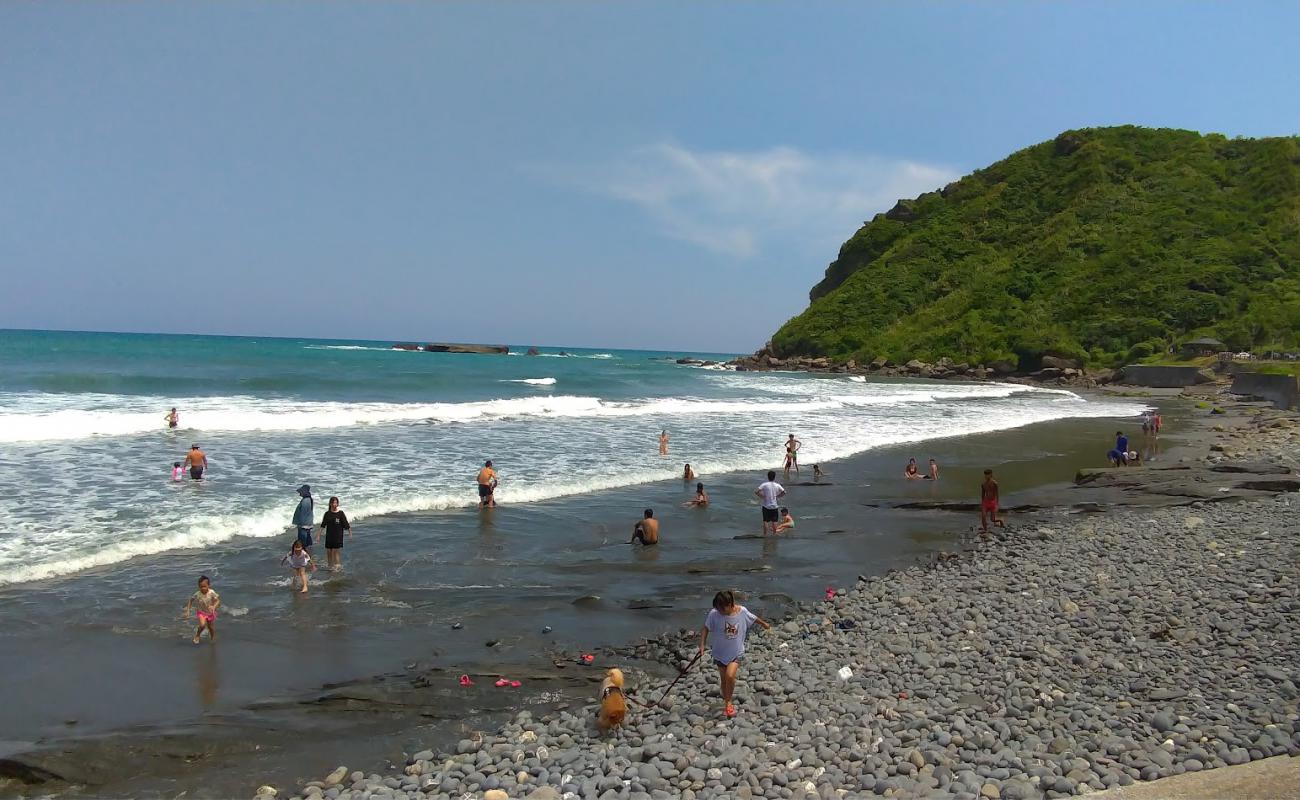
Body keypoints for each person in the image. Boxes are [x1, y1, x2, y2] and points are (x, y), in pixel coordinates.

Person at [698, 590, 771, 718]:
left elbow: (753, 618)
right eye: (717, 607)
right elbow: (705, 628)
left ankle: (728, 703)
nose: (719, 610)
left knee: (730, 676)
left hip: (736, 652)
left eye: (721, 608)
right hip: (719, 652)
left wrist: (764, 624)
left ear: (730, 604)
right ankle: (727, 699)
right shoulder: (714, 614)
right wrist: (702, 645)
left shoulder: (741, 611)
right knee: (724, 680)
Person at [183, 575, 220, 644]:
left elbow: (218, 600)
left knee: (211, 628)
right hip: (201, 612)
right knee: (202, 625)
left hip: (210, 612)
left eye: (204, 586)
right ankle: (197, 635)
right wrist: (188, 611)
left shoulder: (211, 592)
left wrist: (214, 606)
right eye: (200, 587)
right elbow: (191, 600)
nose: (202, 588)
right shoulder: (197, 594)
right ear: (198, 586)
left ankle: (212, 639)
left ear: (208, 585)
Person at [319, 496, 352, 570]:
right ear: (330, 504)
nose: (334, 504)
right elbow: (323, 525)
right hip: (329, 536)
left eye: (336, 503)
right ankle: (330, 566)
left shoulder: (340, 513)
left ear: (337, 504)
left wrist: (350, 533)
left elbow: (346, 524)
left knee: (335, 551)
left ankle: (337, 566)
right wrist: (318, 535)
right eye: (333, 503)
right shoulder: (327, 514)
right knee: (328, 551)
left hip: (338, 536)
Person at [754, 470, 786, 535]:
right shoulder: (777, 485)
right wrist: (778, 496)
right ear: (774, 477)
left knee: (765, 521)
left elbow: (756, 491)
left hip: (766, 506)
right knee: (774, 521)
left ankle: (765, 534)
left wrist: (762, 496)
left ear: (768, 477)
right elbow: (784, 492)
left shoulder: (764, 484)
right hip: (774, 506)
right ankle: (774, 534)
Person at [292, 485, 314, 549]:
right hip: (307, 524)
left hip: (304, 525)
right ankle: (309, 553)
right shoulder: (308, 499)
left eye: (301, 492)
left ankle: (304, 553)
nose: (300, 493)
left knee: (303, 541)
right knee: (307, 540)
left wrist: (300, 525)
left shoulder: (305, 501)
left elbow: (303, 514)